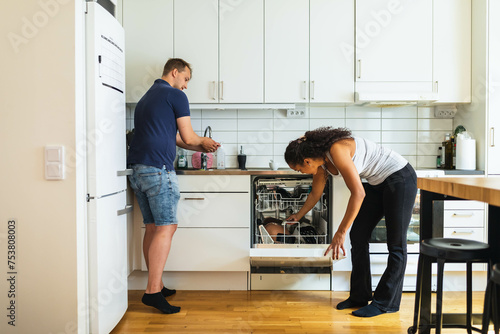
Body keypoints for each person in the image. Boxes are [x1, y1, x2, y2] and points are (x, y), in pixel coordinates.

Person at [284, 127, 417, 317]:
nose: (300, 172)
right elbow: (315, 193)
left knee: (396, 244)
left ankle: (385, 303)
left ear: (307, 160)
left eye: (299, 169)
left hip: (400, 178)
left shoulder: (336, 150)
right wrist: (299, 215)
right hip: (378, 184)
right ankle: (359, 296)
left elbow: (358, 193)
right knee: (358, 235)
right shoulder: (320, 164)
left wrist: (340, 232)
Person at [127, 58, 220, 314]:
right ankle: (152, 293)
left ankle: (156, 284)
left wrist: (202, 144)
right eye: (186, 79)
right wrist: (203, 141)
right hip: (158, 170)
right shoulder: (175, 96)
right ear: (175, 72)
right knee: (167, 227)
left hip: (137, 169)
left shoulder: (148, 97)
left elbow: (177, 139)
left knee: (153, 227)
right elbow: (189, 137)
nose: (186, 86)